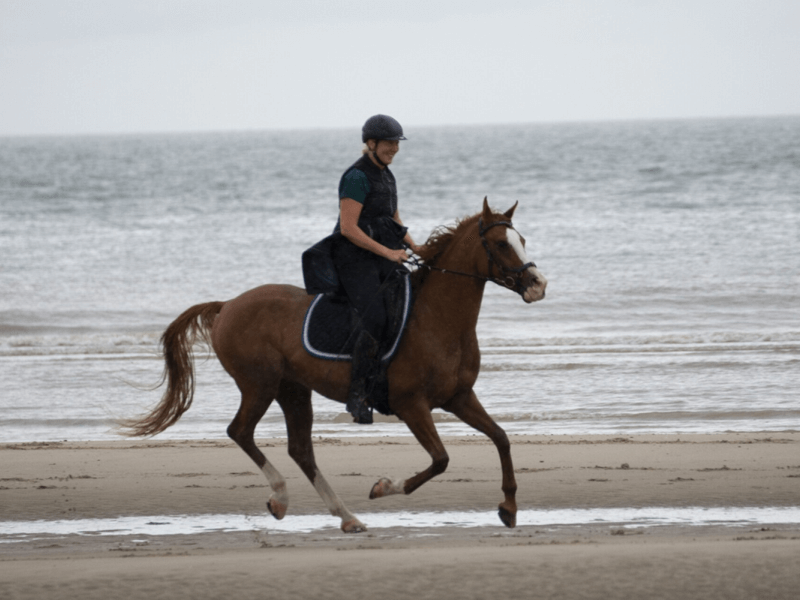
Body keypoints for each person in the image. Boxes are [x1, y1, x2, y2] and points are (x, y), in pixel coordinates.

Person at [333, 114, 420, 423]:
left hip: (381, 255)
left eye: (397, 143)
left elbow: (393, 217)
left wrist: (415, 246)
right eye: (389, 143)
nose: (394, 149)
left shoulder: (387, 175)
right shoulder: (356, 177)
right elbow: (348, 228)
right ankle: (358, 394)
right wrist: (389, 252)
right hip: (352, 259)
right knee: (375, 316)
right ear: (371, 143)